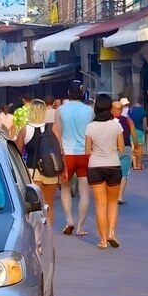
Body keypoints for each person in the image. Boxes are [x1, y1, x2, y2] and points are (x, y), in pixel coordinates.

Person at [85, 93, 124, 250]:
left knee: (100, 205)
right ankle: (111, 233)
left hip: (95, 167)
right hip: (113, 165)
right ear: (109, 108)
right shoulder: (116, 125)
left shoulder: (90, 127)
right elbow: (121, 148)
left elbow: (87, 151)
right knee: (113, 202)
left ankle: (102, 240)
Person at [17, 98, 62, 226]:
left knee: (33, 207)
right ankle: (48, 234)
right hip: (50, 171)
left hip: (32, 171)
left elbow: (18, 152)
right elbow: (59, 150)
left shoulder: (25, 129)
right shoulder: (53, 128)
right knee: (49, 205)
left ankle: (36, 234)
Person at [57, 84, 94, 237]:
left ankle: (69, 220)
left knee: (65, 189)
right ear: (82, 93)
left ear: (68, 93)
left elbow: (57, 133)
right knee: (84, 192)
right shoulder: (89, 110)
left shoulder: (60, 110)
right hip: (84, 154)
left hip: (66, 153)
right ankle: (80, 227)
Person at [112, 100, 134, 204]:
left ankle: (113, 194)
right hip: (126, 148)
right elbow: (134, 135)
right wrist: (137, 147)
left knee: (113, 172)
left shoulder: (109, 121)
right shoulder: (128, 120)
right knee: (124, 174)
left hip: (113, 149)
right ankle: (119, 197)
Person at [125, 97, 148, 170]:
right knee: (140, 149)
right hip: (140, 131)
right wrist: (144, 131)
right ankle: (139, 164)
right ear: (142, 103)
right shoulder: (143, 111)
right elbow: (144, 123)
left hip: (132, 131)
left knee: (133, 149)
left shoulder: (130, 110)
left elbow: (128, 120)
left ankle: (134, 165)